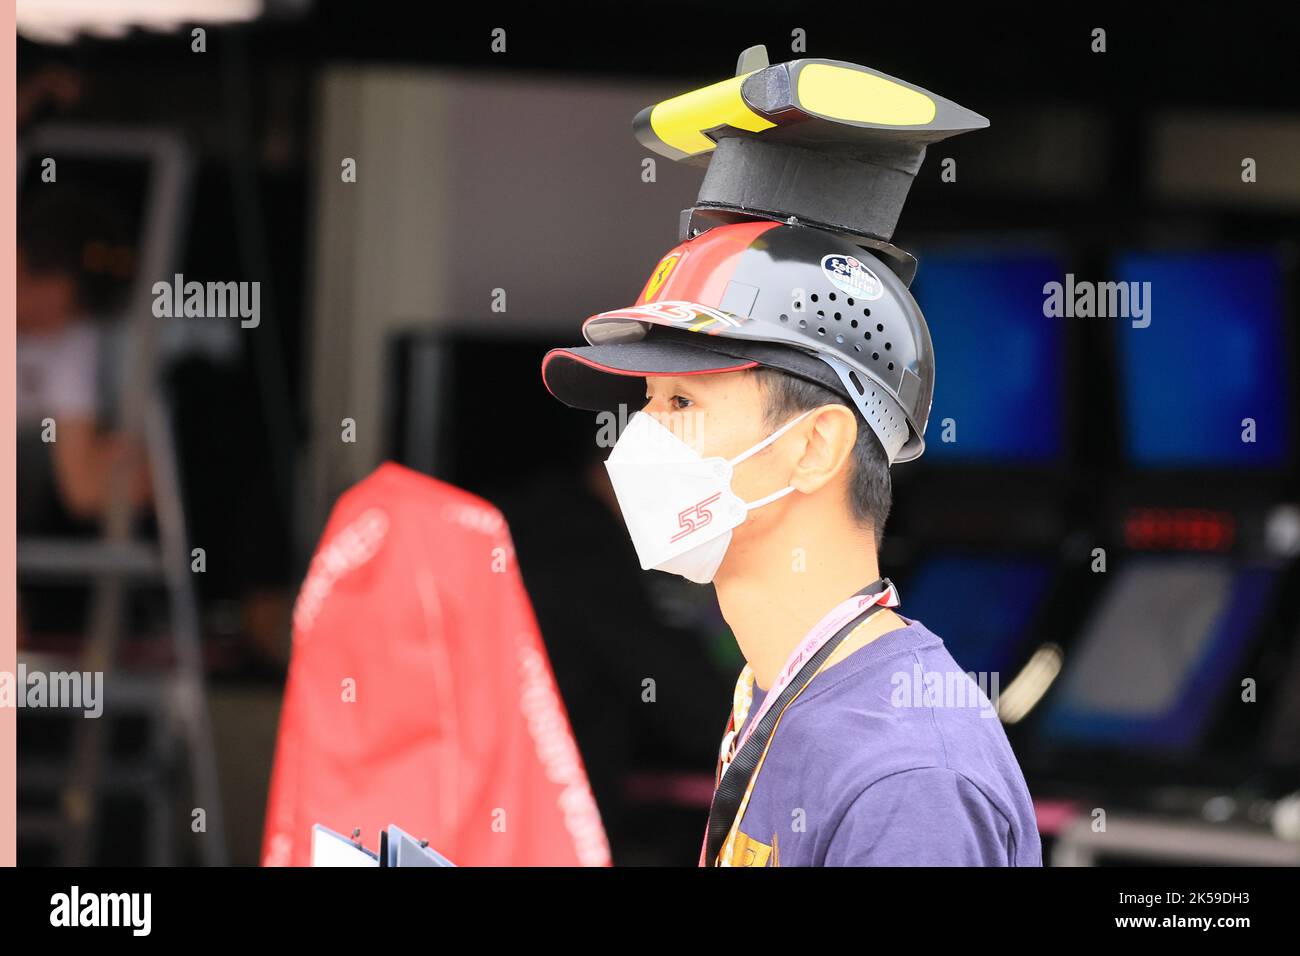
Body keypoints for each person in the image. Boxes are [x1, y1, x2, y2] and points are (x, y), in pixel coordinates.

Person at [541, 215, 1043, 866]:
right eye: (647, 400)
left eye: (682, 404)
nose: (639, 437)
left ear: (813, 447)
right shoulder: (776, 688)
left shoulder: (910, 782)